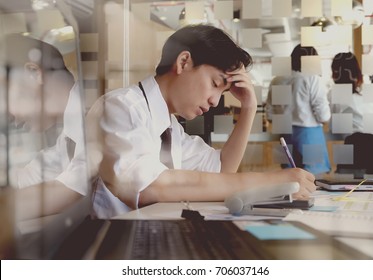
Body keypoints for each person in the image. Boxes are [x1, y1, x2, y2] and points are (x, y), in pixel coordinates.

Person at [89, 24, 316, 219]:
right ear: (184, 61)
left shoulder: (170, 128)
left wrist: (249, 108)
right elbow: (150, 186)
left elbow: (222, 170)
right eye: (215, 84)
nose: (215, 101)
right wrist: (268, 182)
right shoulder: (120, 107)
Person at [5, 34, 89, 221]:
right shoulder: (68, 135)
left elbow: (72, 190)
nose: (13, 119)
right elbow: (32, 175)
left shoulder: (96, 114)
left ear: (34, 73)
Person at [265, 44, 331, 175]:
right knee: (314, 179)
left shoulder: (277, 80)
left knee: (289, 179)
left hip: (285, 135)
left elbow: (270, 114)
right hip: (309, 134)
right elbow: (323, 115)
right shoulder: (312, 79)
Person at [331, 52, 373, 175]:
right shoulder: (367, 90)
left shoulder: (336, 93)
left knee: (346, 185)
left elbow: (335, 126)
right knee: (372, 187)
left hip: (356, 143)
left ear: (335, 73)